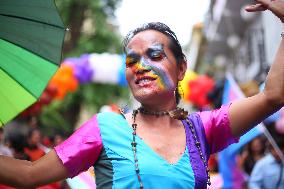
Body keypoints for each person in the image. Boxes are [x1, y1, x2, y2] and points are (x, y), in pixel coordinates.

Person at [0, 0, 284, 188]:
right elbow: (29, 175)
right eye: (131, 60)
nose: (141, 67)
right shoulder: (105, 128)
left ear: (182, 68)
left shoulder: (203, 129)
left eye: (155, 55)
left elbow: (273, 95)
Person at [248, 125, 284, 189]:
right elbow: (253, 183)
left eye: (280, 149)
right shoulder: (262, 164)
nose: (276, 153)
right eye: (273, 149)